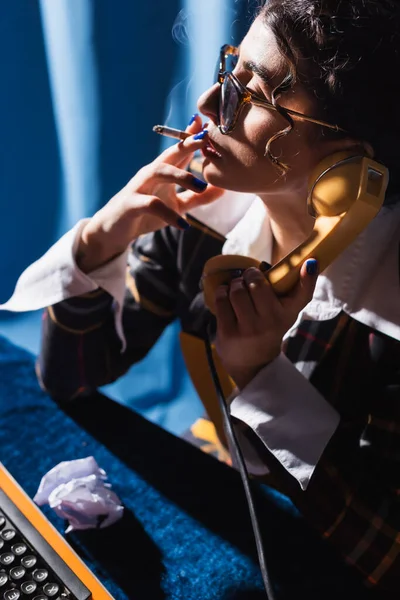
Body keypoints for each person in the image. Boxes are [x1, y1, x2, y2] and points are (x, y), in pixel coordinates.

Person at [2, 0, 400, 595]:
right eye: (229, 72)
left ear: (350, 168)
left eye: (256, 95)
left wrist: (262, 374)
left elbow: (386, 554)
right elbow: (69, 378)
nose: (209, 106)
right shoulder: (202, 225)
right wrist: (95, 244)